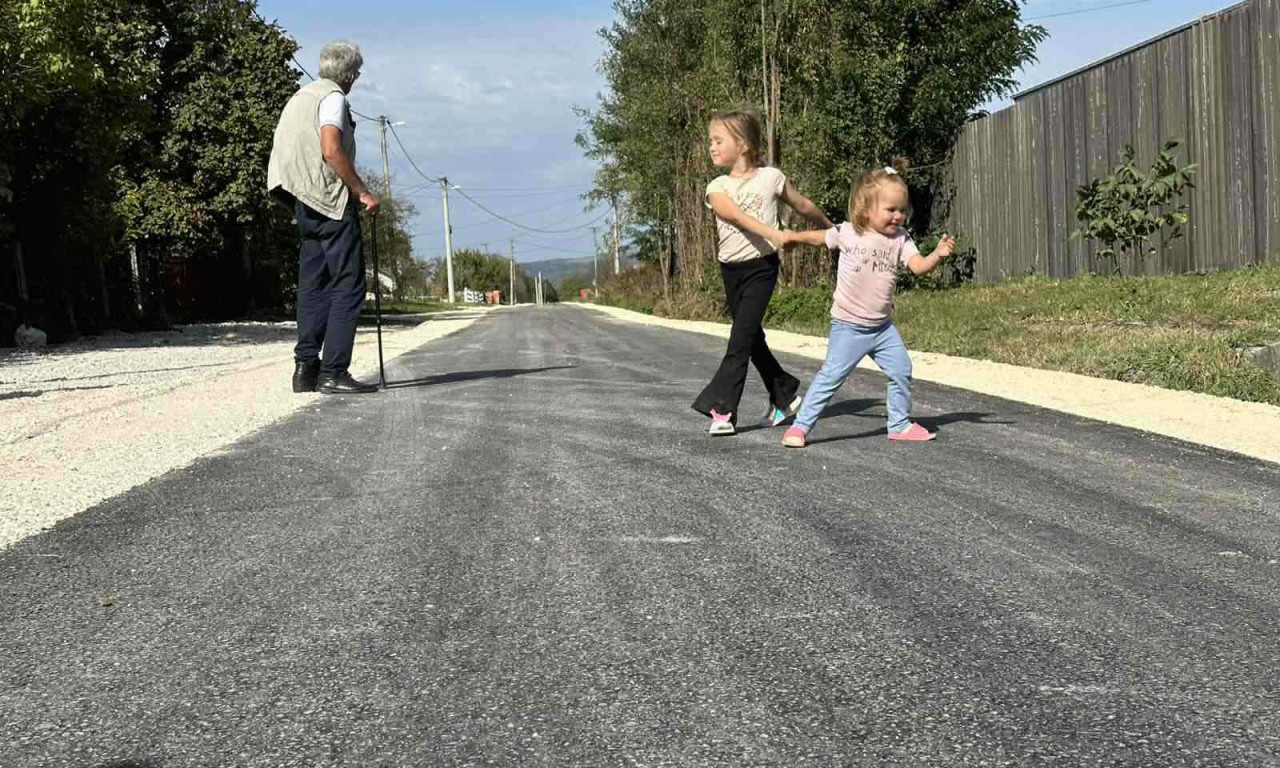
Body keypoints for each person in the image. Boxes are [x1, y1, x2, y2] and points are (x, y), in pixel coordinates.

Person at [778, 164, 955, 447]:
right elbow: (819, 237)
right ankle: (799, 428)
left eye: (902, 209)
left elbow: (918, 266)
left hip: (882, 328)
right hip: (849, 326)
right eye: (890, 209)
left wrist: (937, 254)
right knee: (831, 377)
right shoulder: (848, 232)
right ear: (865, 209)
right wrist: (792, 237)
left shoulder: (901, 239)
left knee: (901, 369)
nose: (898, 215)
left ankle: (898, 424)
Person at [691, 108, 833, 435]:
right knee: (751, 338)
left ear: (742, 144)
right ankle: (782, 394)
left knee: (739, 341)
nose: (711, 147)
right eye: (710, 141)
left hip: (761, 270)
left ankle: (723, 409)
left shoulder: (772, 178)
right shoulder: (718, 185)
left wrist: (832, 230)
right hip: (730, 271)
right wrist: (775, 233)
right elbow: (734, 216)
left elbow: (804, 205)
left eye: (718, 140)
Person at [268, 41, 381, 394]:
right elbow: (331, 149)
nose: (356, 80)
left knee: (314, 284)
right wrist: (363, 192)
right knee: (348, 285)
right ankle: (334, 371)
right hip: (328, 200)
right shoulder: (333, 98)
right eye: (357, 74)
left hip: (299, 198)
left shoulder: (300, 96)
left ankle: (305, 371)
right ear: (347, 75)